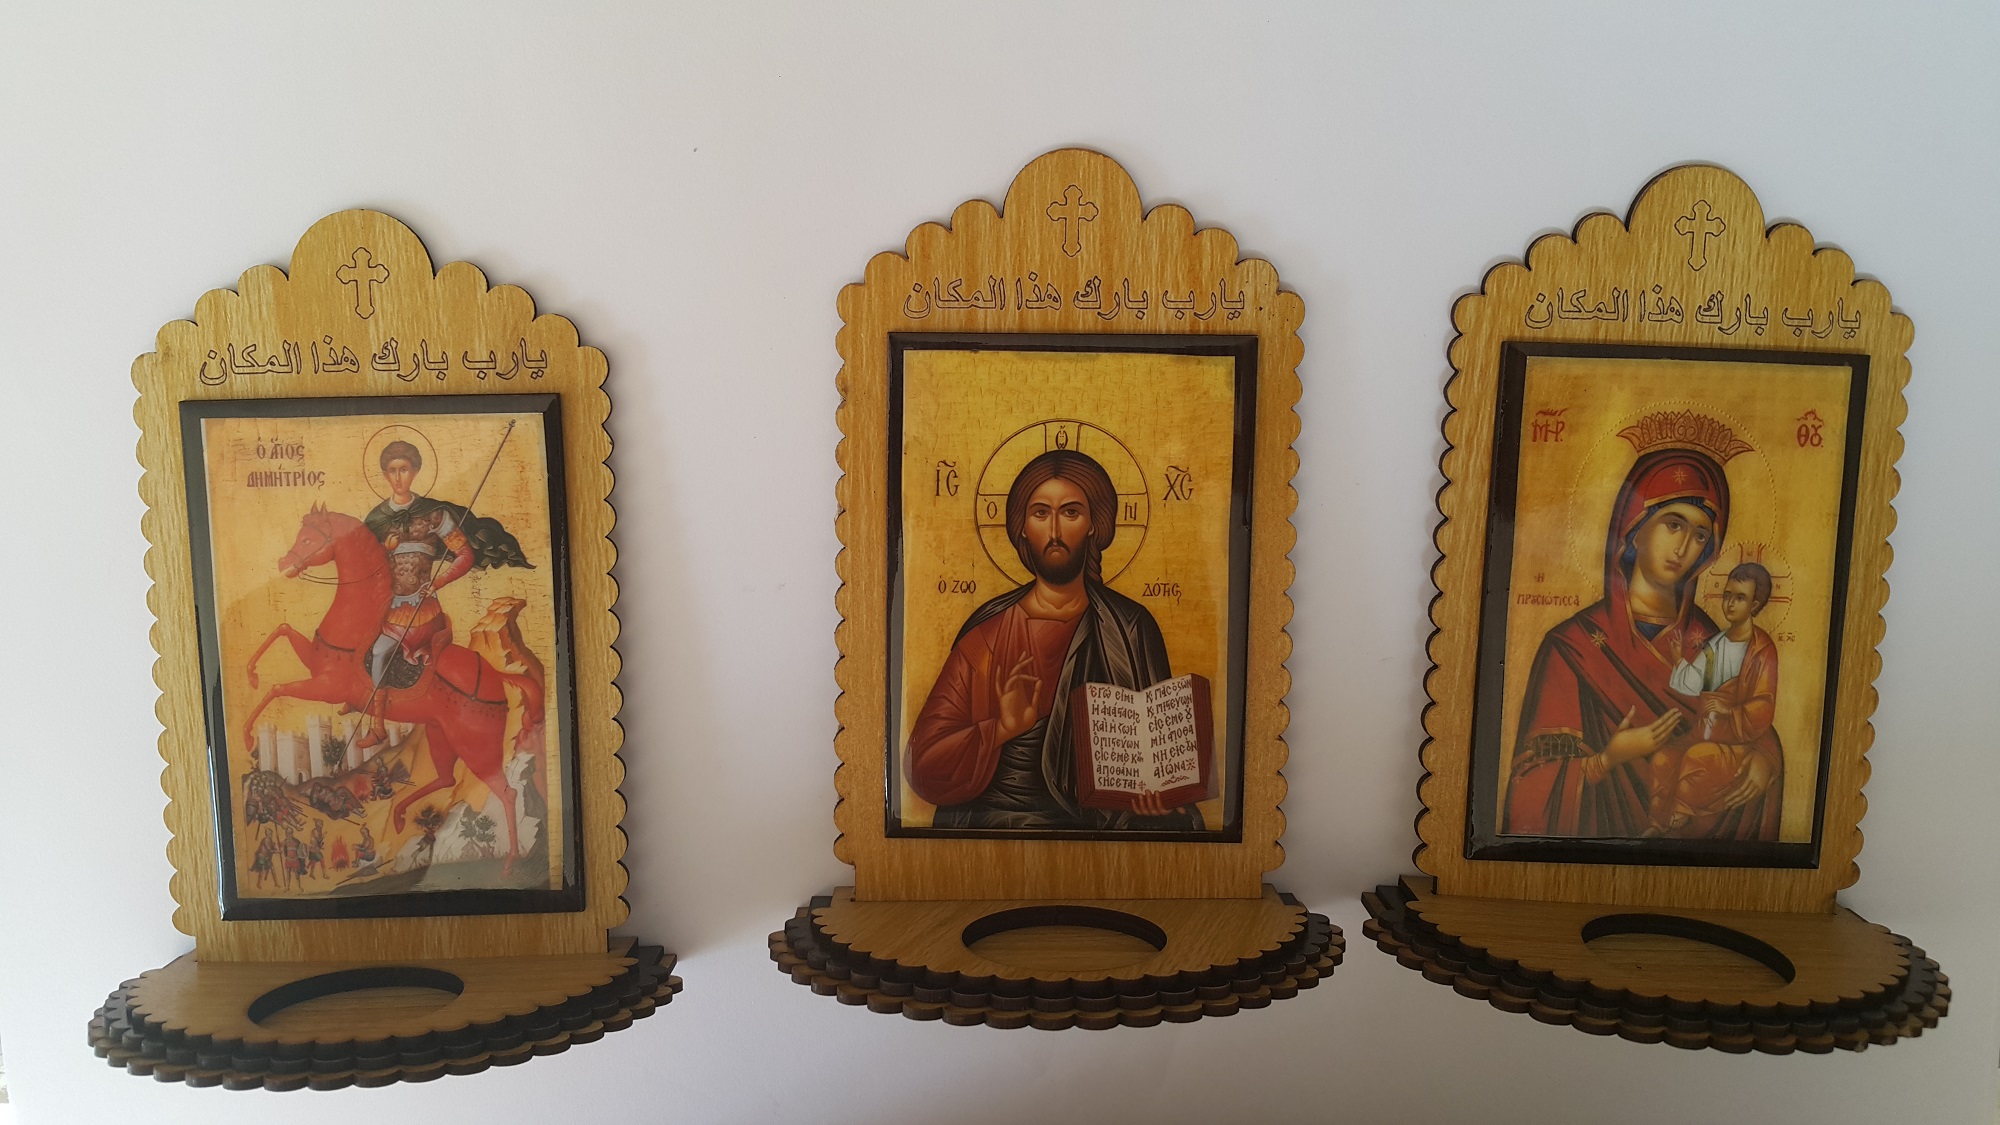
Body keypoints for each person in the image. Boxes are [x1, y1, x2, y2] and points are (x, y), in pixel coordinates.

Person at [906, 449, 1200, 831]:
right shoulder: (988, 635)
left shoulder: (1131, 628)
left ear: (1094, 524)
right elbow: (924, 764)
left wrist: (1159, 797)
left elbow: (1166, 765)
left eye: (1071, 512)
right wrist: (1002, 728)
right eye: (1041, 513)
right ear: (1022, 527)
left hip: (1100, 832)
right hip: (994, 830)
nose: (1055, 532)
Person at [1503, 445, 1780, 841]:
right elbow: (1530, 782)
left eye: (1700, 535)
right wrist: (1606, 760)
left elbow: (1748, 716)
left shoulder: (1715, 641)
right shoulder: (1572, 646)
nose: (1683, 547)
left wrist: (1766, 759)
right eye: (1673, 525)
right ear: (1636, 528)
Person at [354, 439, 530, 749]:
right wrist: (383, 549)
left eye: (404, 470)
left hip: (423, 610)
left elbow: (464, 554)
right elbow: (363, 565)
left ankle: (378, 726)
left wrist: (439, 582)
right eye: (392, 471)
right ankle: (363, 706)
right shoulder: (377, 520)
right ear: (384, 475)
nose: (398, 477)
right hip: (387, 607)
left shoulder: (434, 515)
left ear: (415, 471)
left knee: (381, 652)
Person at [1647, 562, 1784, 836]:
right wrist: (1678, 659)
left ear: (1755, 605)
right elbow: (1693, 683)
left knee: (1697, 758)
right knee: (1662, 758)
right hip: (1704, 732)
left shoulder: (1761, 650)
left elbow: (1764, 703)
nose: (1730, 604)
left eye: (1740, 598)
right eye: (1727, 595)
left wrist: (1728, 709)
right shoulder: (1714, 644)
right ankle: (1657, 824)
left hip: (1738, 741)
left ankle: (1677, 818)